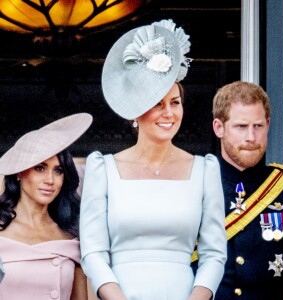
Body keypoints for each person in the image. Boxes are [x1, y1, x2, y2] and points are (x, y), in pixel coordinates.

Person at [80, 19, 227, 300]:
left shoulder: (204, 169)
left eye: (175, 102)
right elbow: (93, 253)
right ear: (136, 111)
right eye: (157, 103)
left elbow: (214, 253)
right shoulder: (104, 168)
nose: (169, 113)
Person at [211, 81, 283, 300]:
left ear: (268, 125)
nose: (251, 137)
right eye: (241, 126)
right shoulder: (195, 183)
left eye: (258, 126)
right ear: (218, 128)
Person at [0, 113, 93, 300]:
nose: (50, 180)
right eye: (40, 168)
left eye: (58, 171)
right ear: (19, 172)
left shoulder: (72, 236)